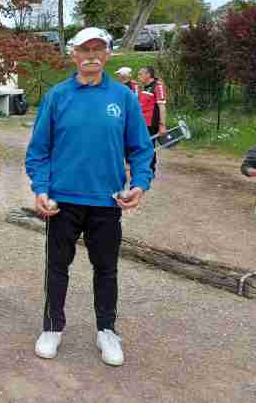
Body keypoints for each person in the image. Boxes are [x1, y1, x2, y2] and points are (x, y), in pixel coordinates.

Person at [25, 27, 154, 367]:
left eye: (98, 49)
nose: (91, 55)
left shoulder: (123, 97)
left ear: (107, 55)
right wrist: (40, 188)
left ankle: (107, 330)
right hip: (62, 202)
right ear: (74, 54)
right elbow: (38, 151)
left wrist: (140, 183)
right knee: (57, 267)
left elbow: (141, 149)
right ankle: (52, 327)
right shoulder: (57, 96)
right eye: (85, 49)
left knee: (106, 269)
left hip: (107, 201)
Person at [138, 66, 167, 174]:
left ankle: (150, 169)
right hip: (143, 122)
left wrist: (162, 125)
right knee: (142, 145)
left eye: (140, 74)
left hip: (151, 123)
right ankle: (144, 167)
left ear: (148, 75)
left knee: (149, 146)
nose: (138, 76)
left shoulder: (158, 86)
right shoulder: (145, 87)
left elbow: (162, 107)